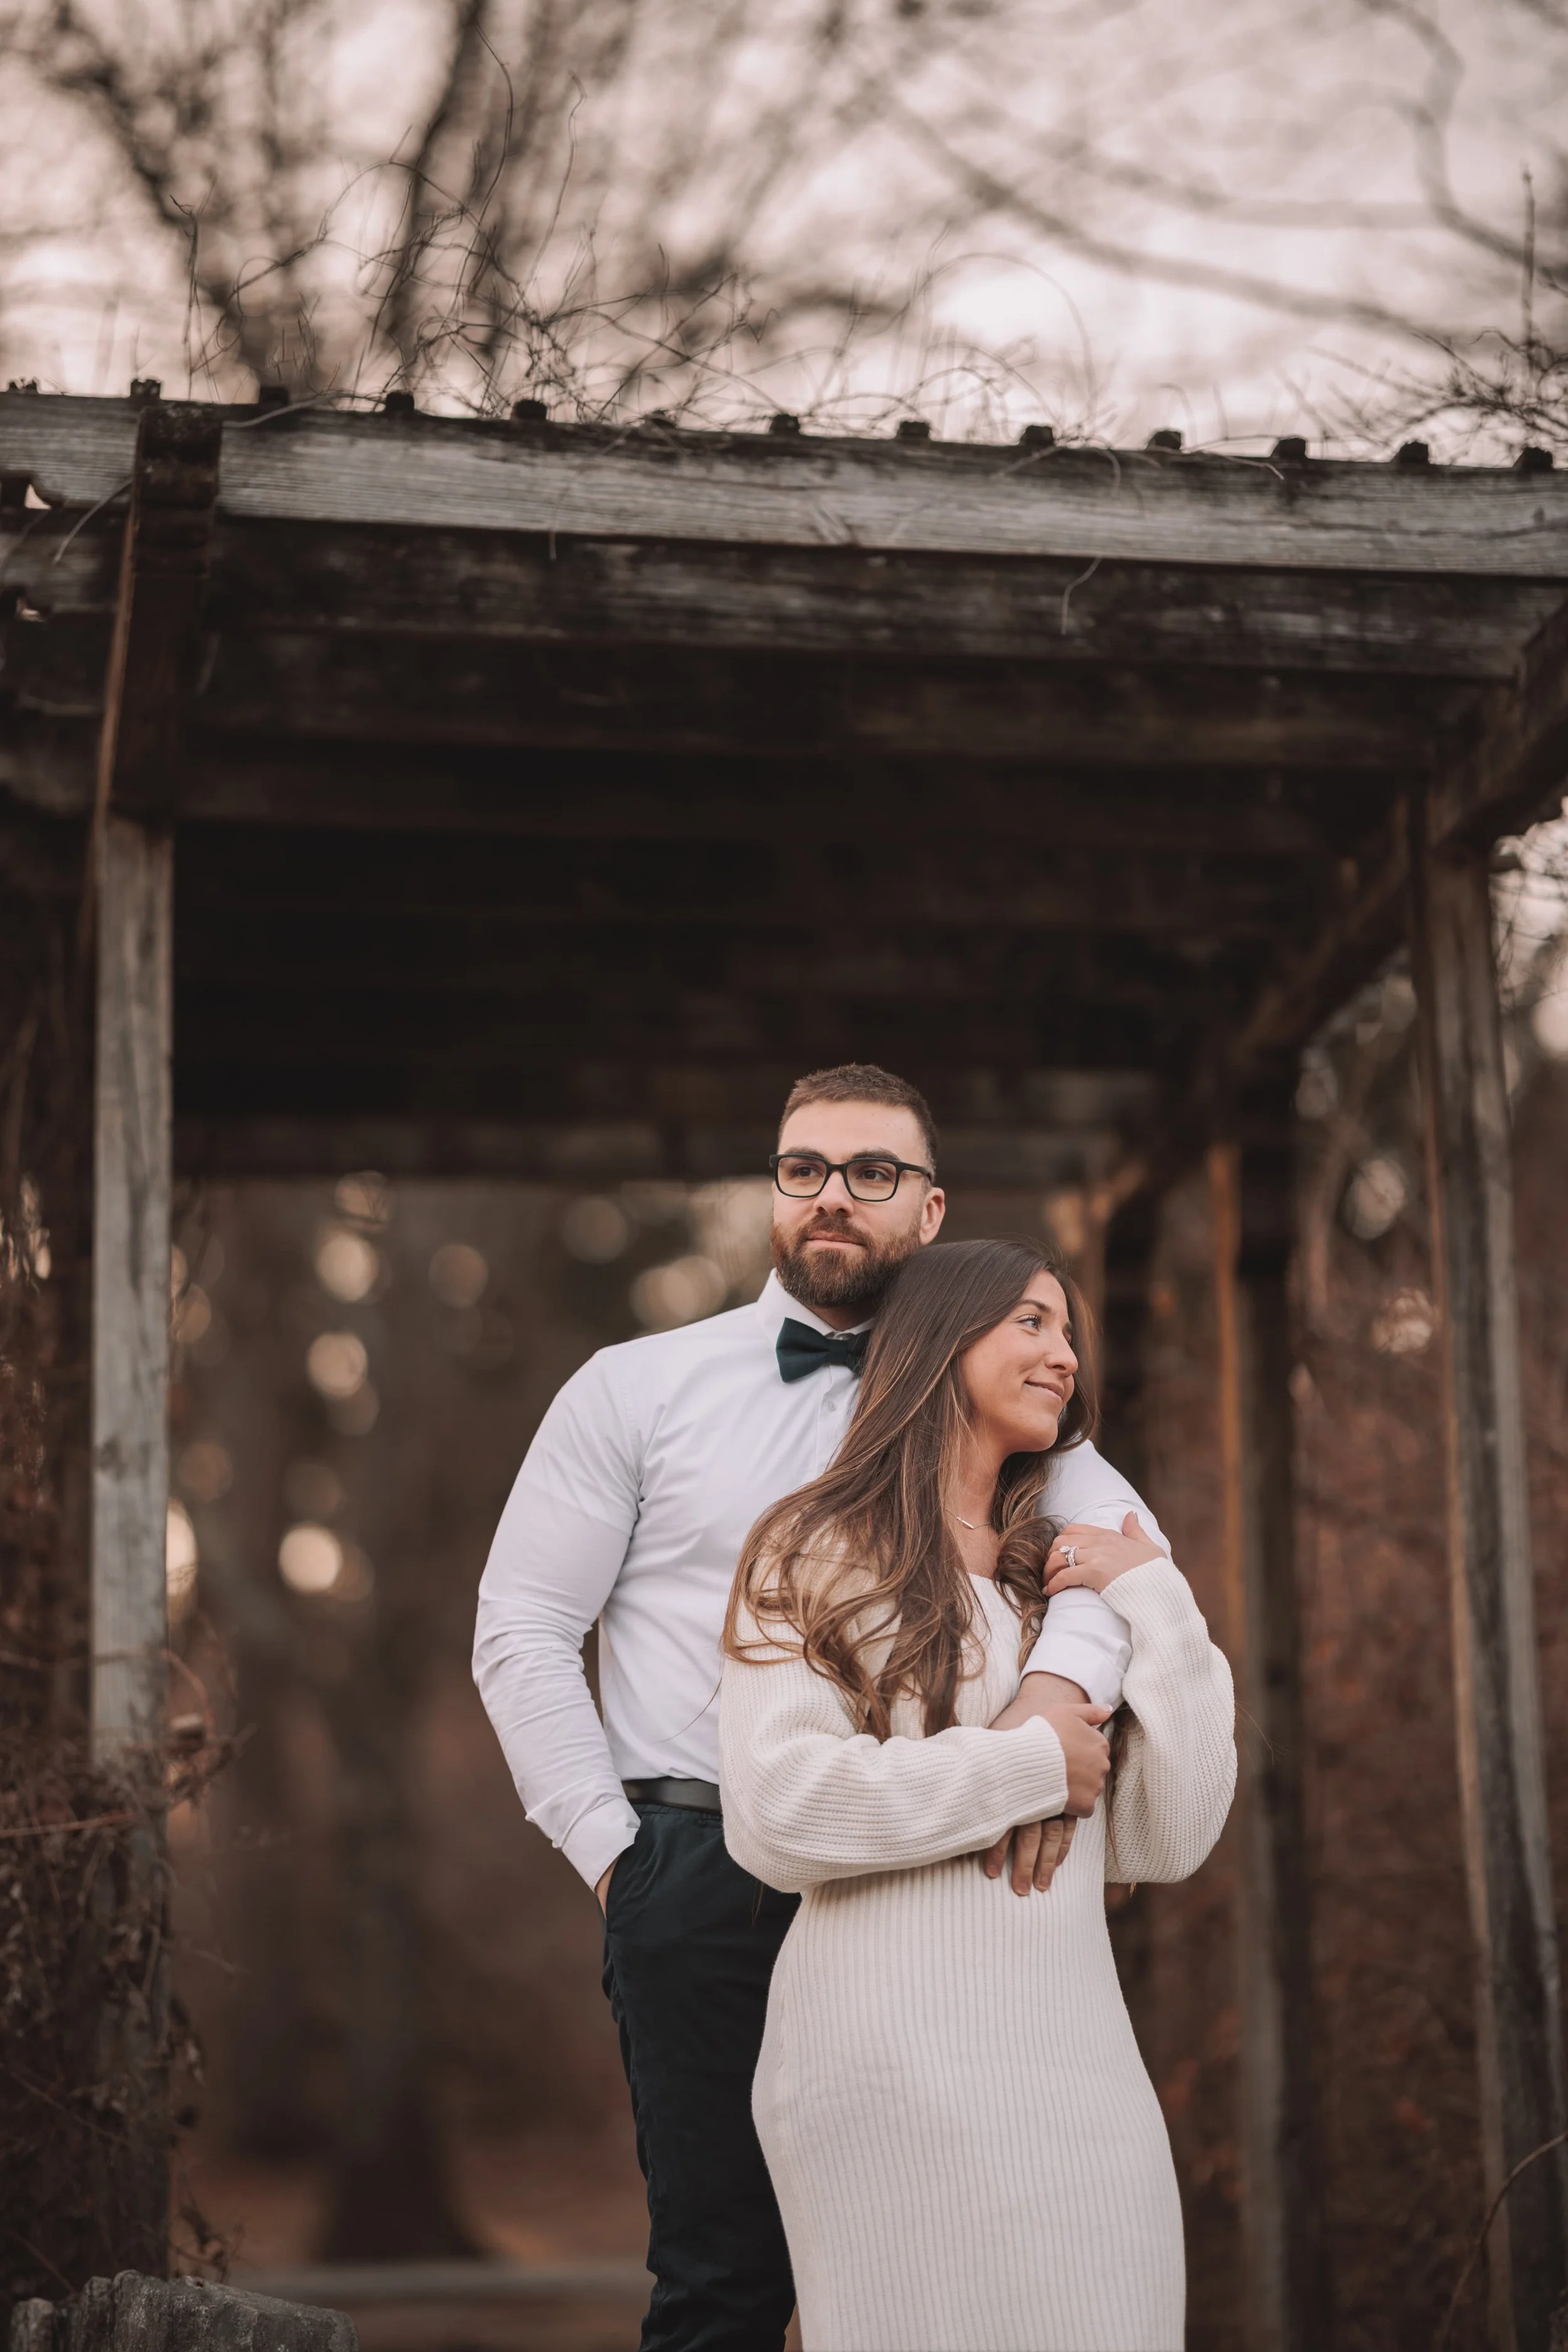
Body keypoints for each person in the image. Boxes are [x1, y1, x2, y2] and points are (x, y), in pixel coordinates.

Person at [473, 1065, 1174, 2352]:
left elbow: (1124, 1553)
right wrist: (612, 1856)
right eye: (803, 1167)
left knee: (937, 2276)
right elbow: (519, 1632)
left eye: (871, 1172)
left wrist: (1046, 1701)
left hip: (941, 1867)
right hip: (700, 1867)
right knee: (724, 2287)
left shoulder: (990, 1379)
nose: (830, 1197)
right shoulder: (633, 1389)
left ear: (929, 1205)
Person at [719, 1236, 1236, 2352]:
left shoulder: (1064, 1585)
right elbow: (779, 1810)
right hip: (886, 2066)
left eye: (1071, 1335)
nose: (1064, 1356)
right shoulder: (813, 1549)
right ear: (939, 1340)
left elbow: (1169, 1833)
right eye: (1032, 1324)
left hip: (1081, 2069)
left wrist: (1162, 1603)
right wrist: (1026, 1766)